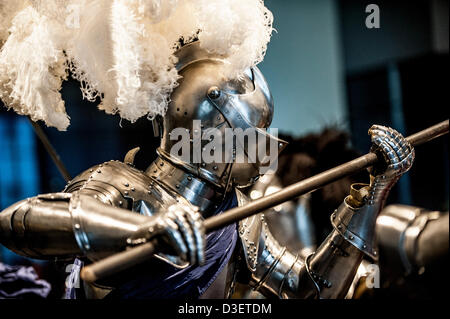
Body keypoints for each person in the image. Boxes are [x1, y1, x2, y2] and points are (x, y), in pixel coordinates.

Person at [0, 41, 415, 299]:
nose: (264, 148)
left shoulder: (238, 214)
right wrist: (137, 229)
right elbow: (20, 221)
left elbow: (308, 290)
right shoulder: (124, 184)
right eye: (254, 134)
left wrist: (372, 193)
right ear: (214, 134)